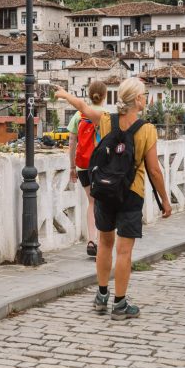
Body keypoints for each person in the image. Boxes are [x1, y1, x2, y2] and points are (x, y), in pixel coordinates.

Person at [55, 78, 172, 320]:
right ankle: (119, 304)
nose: (146, 98)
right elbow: (154, 171)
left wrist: (66, 95)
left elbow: (84, 108)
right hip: (131, 194)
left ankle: (101, 296)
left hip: (105, 190)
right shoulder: (147, 130)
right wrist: (165, 200)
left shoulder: (107, 121)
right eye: (145, 94)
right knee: (124, 251)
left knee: (105, 245)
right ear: (138, 100)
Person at [67, 79, 108, 257]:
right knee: (103, 202)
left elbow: (71, 142)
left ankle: (91, 240)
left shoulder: (78, 115)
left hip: (83, 165)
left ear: (89, 95)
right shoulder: (105, 115)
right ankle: (102, 240)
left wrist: (72, 167)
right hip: (101, 166)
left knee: (91, 202)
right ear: (104, 96)